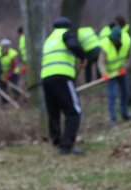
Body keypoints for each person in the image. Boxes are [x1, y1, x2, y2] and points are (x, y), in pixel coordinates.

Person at [40, 16, 86, 155]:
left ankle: (56, 139)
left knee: (53, 112)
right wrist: (82, 57)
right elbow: (73, 46)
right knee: (74, 111)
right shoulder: (65, 34)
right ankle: (67, 145)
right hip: (62, 76)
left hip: (46, 78)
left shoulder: (49, 39)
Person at [99, 26, 131, 125]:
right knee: (112, 95)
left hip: (121, 72)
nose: (112, 42)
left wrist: (125, 67)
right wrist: (104, 73)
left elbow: (130, 56)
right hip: (110, 75)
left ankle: (125, 113)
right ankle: (112, 118)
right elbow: (101, 62)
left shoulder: (127, 42)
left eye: (114, 40)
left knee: (125, 93)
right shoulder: (106, 45)